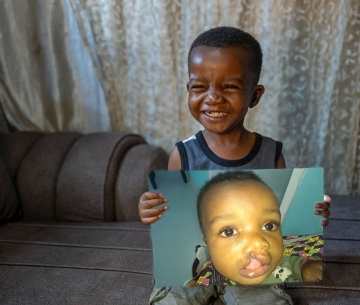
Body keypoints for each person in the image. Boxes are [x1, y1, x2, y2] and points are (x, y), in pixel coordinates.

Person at [138, 26, 331, 305]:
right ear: (189, 90)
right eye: (199, 86)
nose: (212, 97)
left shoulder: (270, 153)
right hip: (203, 256)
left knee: (268, 299)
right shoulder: (182, 154)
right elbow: (173, 216)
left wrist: (313, 210)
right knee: (173, 299)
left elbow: (280, 217)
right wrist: (152, 209)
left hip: (252, 261)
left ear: (254, 95)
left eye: (229, 86)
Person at [185, 171, 322, 287]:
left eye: (269, 226)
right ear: (207, 240)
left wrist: (305, 267)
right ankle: (203, 256)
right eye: (229, 232)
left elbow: (290, 261)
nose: (258, 242)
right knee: (204, 265)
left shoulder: (276, 258)